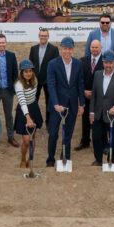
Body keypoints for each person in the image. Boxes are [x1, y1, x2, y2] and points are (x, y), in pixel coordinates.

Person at [46, 37, 85, 167]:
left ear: (72, 50)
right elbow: (51, 85)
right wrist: (56, 104)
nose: (67, 51)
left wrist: (82, 104)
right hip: (57, 106)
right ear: (61, 49)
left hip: (72, 104)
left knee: (68, 133)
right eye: (64, 48)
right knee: (53, 133)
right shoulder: (53, 64)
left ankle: (65, 158)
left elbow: (80, 84)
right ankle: (50, 159)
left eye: (69, 49)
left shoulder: (78, 63)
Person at [88, 50, 114, 167]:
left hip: (112, 115)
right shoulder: (97, 75)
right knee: (96, 137)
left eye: (111, 63)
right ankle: (98, 160)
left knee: (113, 139)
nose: (108, 65)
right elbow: (94, 95)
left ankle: (111, 161)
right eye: (106, 63)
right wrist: (91, 112)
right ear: (103, 63)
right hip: (98, 113)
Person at [14, 59, 43, 168]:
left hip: (33, 107)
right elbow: (22, 101)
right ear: (21, 72)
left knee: (33, 137)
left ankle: (31, 158)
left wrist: (32, 113)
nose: (28, 73)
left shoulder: (34, 80)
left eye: (30, 71)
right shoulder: (18, 84)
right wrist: (28, 117)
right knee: (26, 140)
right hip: (23, 110)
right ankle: (22, 158)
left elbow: (33, 96)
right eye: (25, 71)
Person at [78, 39, 104, 151]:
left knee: (99, 120)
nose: (94, 49)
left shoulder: (105, 62)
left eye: (96, 47)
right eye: (92, 47)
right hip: (86, 95)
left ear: (100, 48)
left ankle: (102, 143)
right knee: (85, 119)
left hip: (99, 97)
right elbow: (79, 79)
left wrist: (95, 93)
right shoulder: (82, 61)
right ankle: (84, 142)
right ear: (90, 48)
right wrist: (84, 91)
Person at [28, 27, 59, 115]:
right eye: (41, 35)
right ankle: (33, 122)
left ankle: (49, 124)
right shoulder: (33, 48)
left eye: (45, 36)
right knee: (33, 102)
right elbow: (30, 65)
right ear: (39, 36)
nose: (43, 37)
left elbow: (56, 67)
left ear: (48, 36)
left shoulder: (54, 49)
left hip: (48, 81)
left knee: (49, 103)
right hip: (35, 80)